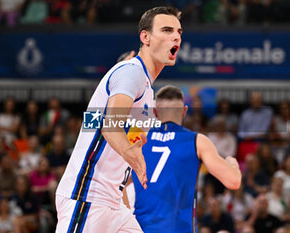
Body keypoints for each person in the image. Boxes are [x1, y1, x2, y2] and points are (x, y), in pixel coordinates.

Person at [55, 6, 182, 233]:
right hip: (88, 195)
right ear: (145, 37)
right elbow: (109, 126)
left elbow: (98, 123)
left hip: (114, 201)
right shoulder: (131, 72)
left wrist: (134, 148)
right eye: (166, 29)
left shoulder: (147, 90)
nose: (176, 36)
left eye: (179, 32)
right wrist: (128, 148)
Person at [132, 85, 241, 233]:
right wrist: (232, 163)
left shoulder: (138, 139)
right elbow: (233, 181)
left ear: (156, 113)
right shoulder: (197, 140)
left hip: (139, 228)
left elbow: (117, 182)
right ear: (184, 111)